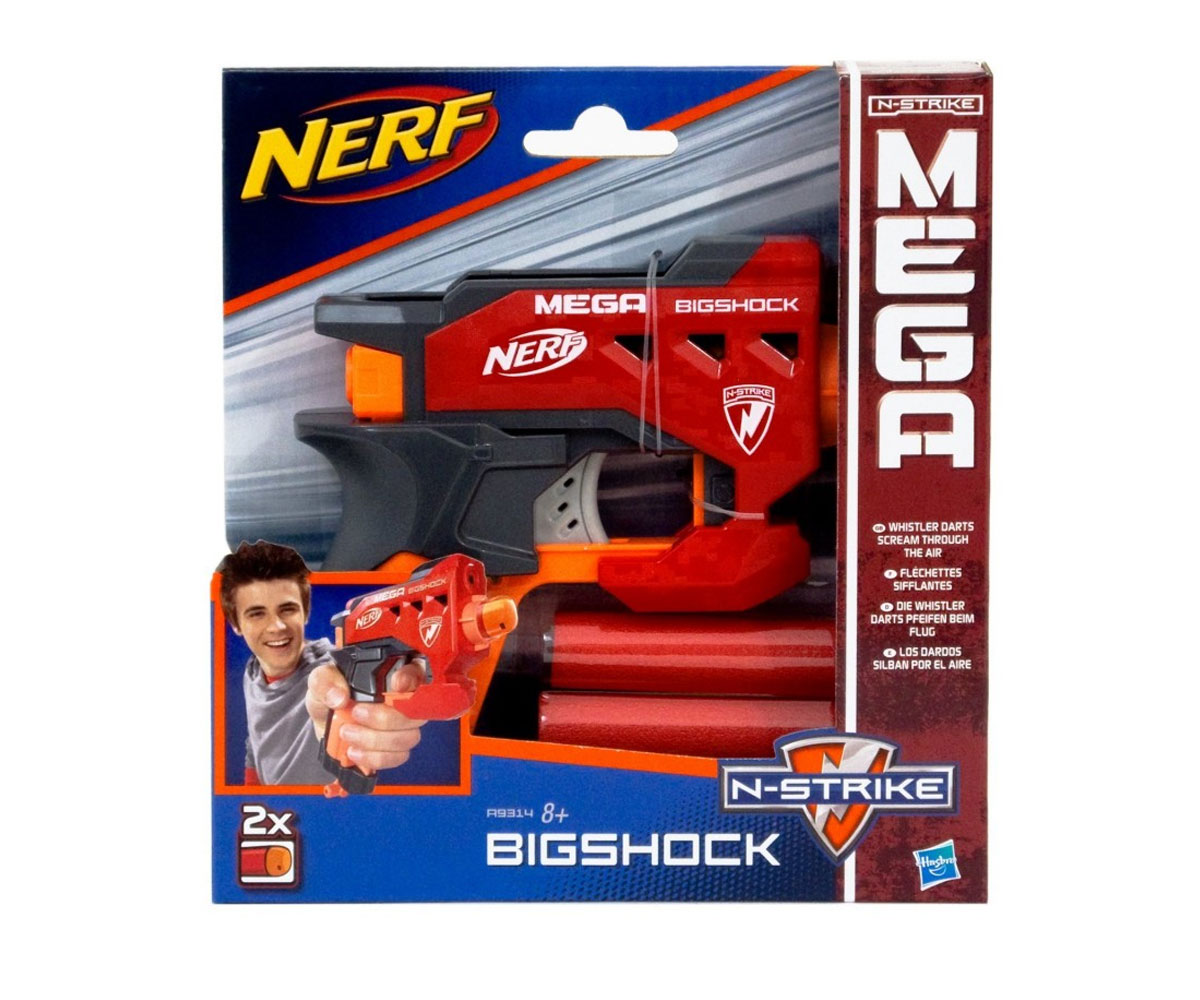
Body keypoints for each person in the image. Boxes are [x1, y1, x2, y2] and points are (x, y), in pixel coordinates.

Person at [217, 540, 425, 785]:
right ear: (236, 624)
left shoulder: (335, 666)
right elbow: (256, 739)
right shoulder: (252, 671)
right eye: (257, 614)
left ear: (305, 612)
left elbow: (340, 676)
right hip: (272, 804)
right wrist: (253, 792)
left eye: (288, 609)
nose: (277, 626)